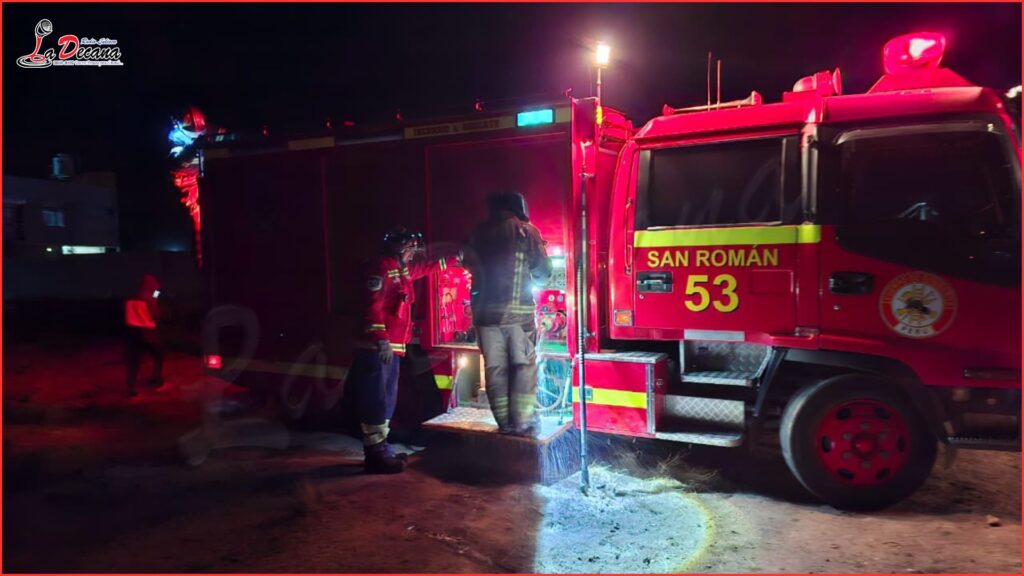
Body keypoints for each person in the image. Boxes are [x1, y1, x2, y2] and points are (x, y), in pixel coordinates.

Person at [351, 228, 458, 473]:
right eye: (410, 249)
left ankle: (381, 448)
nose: (412, 254)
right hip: (378, 348)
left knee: (387, 398)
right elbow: (372, 307)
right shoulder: (381, 268)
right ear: (399, 249)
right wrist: (380, 339)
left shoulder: (401, 269)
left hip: (393, 347)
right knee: (376, 399)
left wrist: (454, 260)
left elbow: (425, 268)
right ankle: (375, 456)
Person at [464, 192, 552, 436]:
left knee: (495, 371)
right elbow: (543, 271)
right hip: (517, 317)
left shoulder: (477, 233)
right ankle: (523, 423)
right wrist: (538, 280)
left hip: (484, 318)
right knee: (522, 366)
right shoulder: (525, 231)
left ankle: (504, 424)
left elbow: (468, 263)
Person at [124, 273, 165, 398]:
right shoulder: (149, 299)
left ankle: (131, 387)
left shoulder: (130, 299)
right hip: (148, 332)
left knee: (134, 361)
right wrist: (156, 296)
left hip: (132, 332)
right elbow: (157, 315)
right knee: (158, 355)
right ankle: (156, 379)